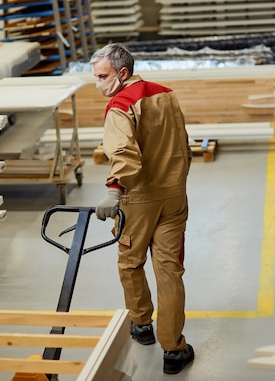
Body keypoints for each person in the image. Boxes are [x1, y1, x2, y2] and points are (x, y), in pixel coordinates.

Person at [90, 43, 194, 375]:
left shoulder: (120, 106)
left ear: (122, 73)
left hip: (138, 199)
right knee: (169, 271)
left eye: (103, 76)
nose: (98, 84)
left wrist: (113, 191)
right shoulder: (167, 94)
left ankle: (141, 324)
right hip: (174, 195)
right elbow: (182, 143)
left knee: (131, 262)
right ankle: (174, 349)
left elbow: (123, 152)